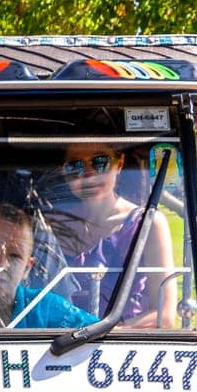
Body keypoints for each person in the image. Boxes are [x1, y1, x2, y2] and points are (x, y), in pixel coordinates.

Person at [50, 140, 178, 328]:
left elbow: (164, 315)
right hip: (53, 346)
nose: (88, 175)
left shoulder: (148, 224)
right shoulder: (52, 224)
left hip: (123, 348)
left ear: (120, 164)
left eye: (100, 162)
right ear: (63, 171)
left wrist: (104, 334)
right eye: (74, 166)